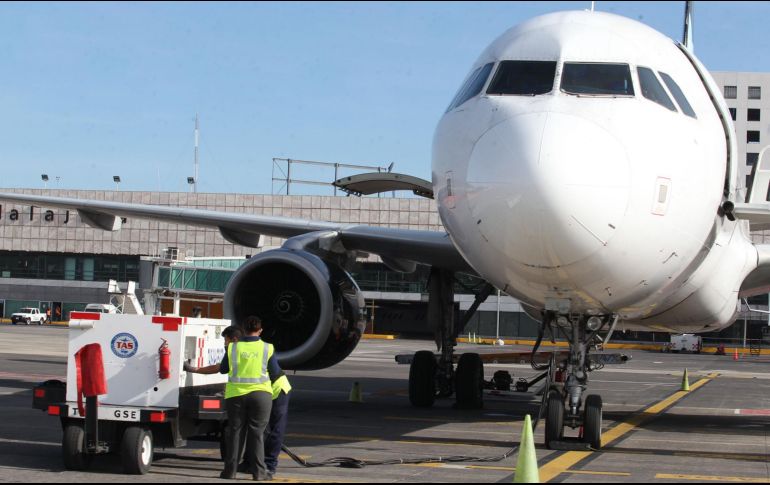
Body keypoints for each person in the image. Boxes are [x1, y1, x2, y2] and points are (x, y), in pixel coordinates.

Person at [220, 316, 277, 481]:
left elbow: (223, 369)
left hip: (236, 395)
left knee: (235, 432)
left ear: (243, 330)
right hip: (260, 395)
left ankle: (229, 471)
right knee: (257, 434)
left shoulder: (232, 348)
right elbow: (274, 372)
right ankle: (259, 473)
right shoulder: (267, 348)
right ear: (260, 330)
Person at [238, 370, 292, 476]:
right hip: (259, 391)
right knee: (255, 427)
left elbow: (275, 372)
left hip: (277, 390)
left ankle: (269, 464)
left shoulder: (264, 353)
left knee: (274, 429)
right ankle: (248, 462)